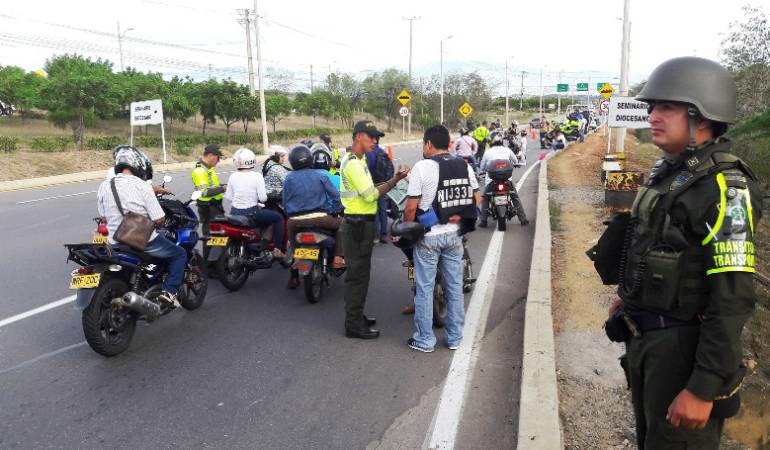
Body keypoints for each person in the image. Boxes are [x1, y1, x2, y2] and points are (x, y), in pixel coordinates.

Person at [599, 57, 762, 450]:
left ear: (701, 115)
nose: (652, 116)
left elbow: (733, 296)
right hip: (649, 340)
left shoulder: (726, 187)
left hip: (684, 349)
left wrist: (703, 388)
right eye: (652, 107)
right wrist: (630, 296)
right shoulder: (673, 172)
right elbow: (659, 243)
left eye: (666, 107)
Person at [403, 125, 480, 352]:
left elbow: (410, 208)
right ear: (448, 144)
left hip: (430, 238)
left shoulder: (422, 167)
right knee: (454, 286)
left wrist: (409, 230)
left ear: (428, 144)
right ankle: (455, 338)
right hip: (454, 236)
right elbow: (476, 199)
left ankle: (425, 340)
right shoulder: (464, 165)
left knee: (425, 288)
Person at [339, 120, 408, 339]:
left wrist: (391, 182)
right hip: (357, 224)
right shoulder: (352, 163)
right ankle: (353, 324)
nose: (375, 141)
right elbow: (370, 195)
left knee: (362, 274)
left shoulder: (360, 160)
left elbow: (369, 190)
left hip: (362, 223)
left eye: (377, 138)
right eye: (371, 137)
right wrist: (395, 180)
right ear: (359, 136)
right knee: (357, 277)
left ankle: (357, 315)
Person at [97, 146, 186, 307]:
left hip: (114, 241)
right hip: (140, 239)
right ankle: (169, 292)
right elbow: (159, 219)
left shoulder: (105, 185)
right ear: (138, 164)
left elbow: (104, 217)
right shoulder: (142, 185)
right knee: (179, 254)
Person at [283, 144, 345, 289]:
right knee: (342, 224)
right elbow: (336, 197)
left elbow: (285, 201)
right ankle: (337, 257)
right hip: (320, 218)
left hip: (295, 221)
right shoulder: (321, 175)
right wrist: (336, 210)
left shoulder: (289, 178)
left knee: (290, 232)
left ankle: (297, 257)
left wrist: (292, 214)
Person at [225, 148, 285, 258]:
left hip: (234, 213)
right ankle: (277, 249)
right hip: (250, 213)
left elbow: (229, 197)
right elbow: (262, 198)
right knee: (278, 218)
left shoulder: (233, 176)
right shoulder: (256, 176)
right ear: (252, 160)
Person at [478, 132, 529, 227]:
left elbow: (482, 167)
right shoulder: (507, 150)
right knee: (515, 197)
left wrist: (482, 171)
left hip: (491, 181)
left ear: (491, 142)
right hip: (506, 180)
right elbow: (515, 161)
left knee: (485, 198)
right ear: (501, 141)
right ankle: (523, 219)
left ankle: (483, 221)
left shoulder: (488, 152)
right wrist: (516, 164)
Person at [191, 144, 225, 266]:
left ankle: (214, 265)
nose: (219, 161)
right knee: (212, 238)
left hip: (214, 207)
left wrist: (222, 186)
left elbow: (212, 186)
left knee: (217, 238)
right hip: (209, 208)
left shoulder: (208, 169)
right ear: (210, 156)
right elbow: (204, 192)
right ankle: (210, 267)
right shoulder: (200, 171)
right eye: (218, 158)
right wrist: (223, 189)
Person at [365, 136, 395, 244]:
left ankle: (376, 236)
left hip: (371, 185)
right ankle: (384, 234)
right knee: (383, 209)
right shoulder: (383, 152)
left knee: (375, 210)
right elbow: (391, 168)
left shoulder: (367, 153)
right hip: (383, 185)